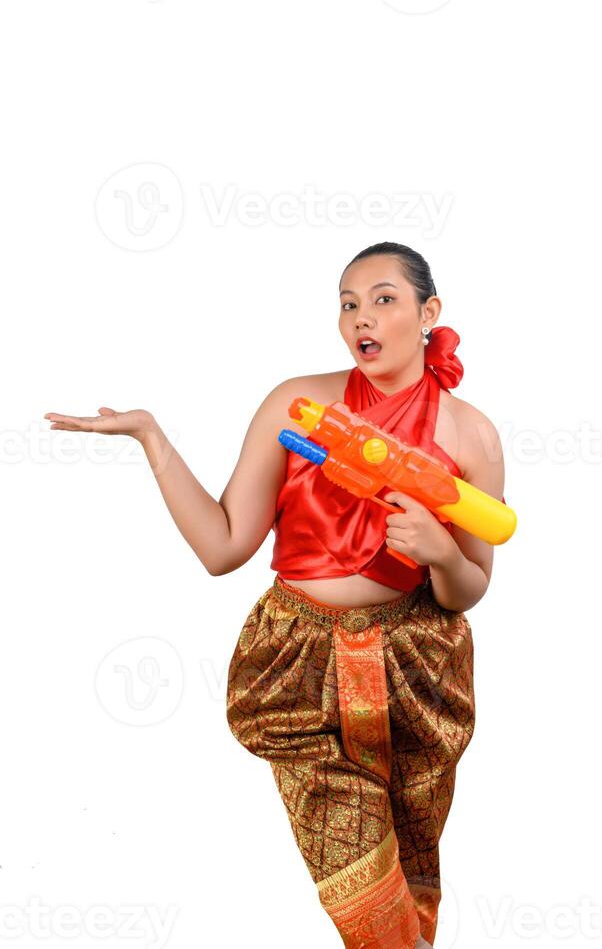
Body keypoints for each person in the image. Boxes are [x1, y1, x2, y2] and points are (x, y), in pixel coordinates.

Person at [44, 241, 506, 948]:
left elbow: (468, 589)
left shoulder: (471, 433)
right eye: (349, 304)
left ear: (428, 312)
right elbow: (223, 546)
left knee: (410, 887)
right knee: (371, 912)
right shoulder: (299, 406)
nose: (363, 318)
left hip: (418, 670)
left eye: (384, 299)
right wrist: (152, 440)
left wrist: (442, 552)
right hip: (297, 669)